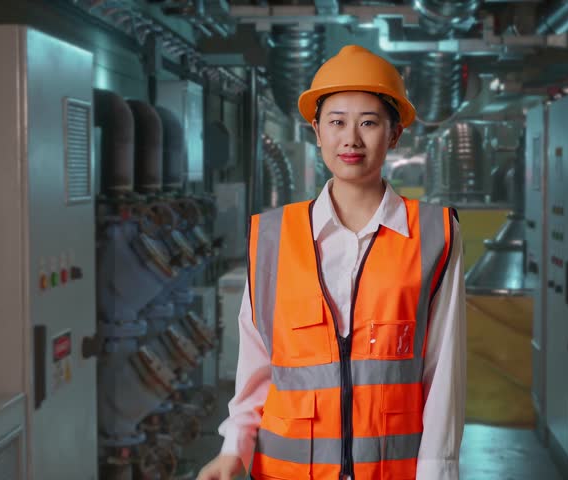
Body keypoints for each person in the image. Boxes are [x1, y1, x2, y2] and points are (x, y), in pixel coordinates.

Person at [197, 45, 466, 480]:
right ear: (316, 131)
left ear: (394, 135)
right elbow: (257, 364)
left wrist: (438, 474)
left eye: (369, 123)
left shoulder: (434, 235)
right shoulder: (271, 237)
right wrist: (234, 448)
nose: (351, 139)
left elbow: (443, 372)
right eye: (337, 122)